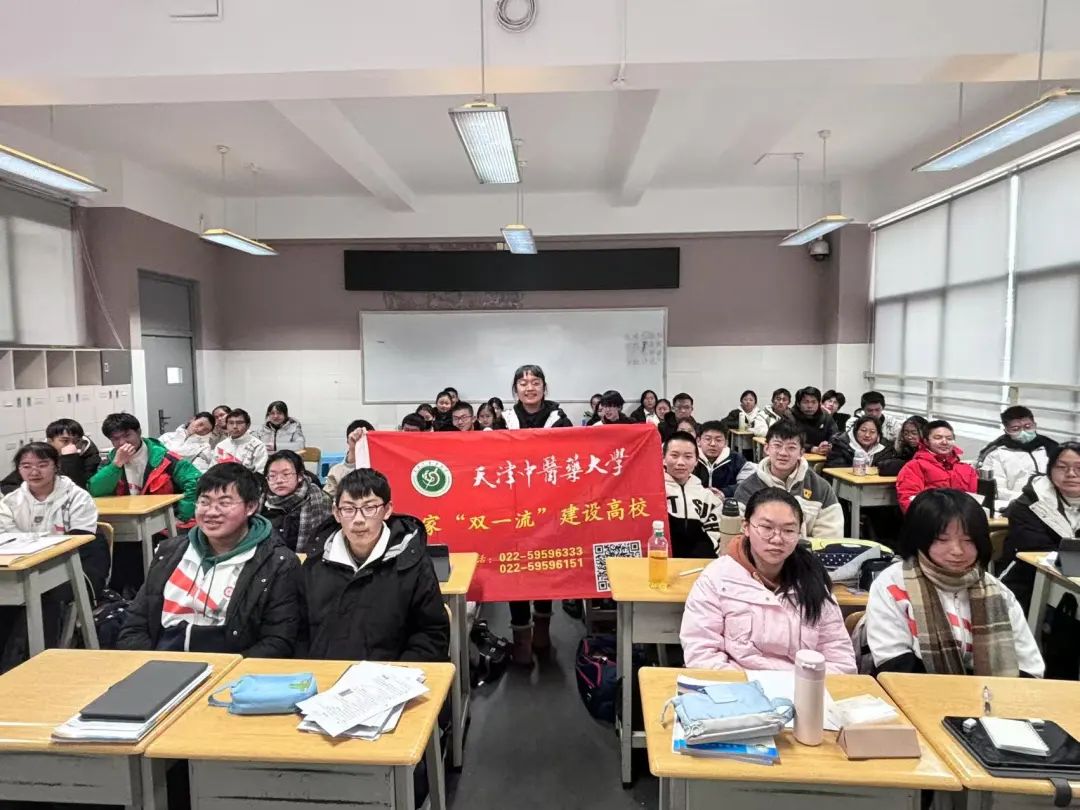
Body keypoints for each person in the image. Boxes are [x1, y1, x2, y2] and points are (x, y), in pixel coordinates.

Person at [116, 463, 302, 657]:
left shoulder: (277, 563)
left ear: (251, 507)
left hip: (231, 667)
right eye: (204, 502)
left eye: (224, 503)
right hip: (161, 663)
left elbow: (277, 641)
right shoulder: (169, 552)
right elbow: (134, 625)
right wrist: (152, 663)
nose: (212, 512)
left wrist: (226, 670)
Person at [864, 488, 1043, 677]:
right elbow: (893, 664)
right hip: (916, 688)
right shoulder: (893, 584)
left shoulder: (998, 593)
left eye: (968, 540)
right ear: (919, 539)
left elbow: (1029, 668)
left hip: (990, 691)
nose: (957, 551)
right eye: (942, 540)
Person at [681, 488, 856, 672]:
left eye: (788, 530)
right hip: (738, 684)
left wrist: (805, 684)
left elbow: (840, 659)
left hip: (802, 684)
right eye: (766, 528)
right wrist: (748, 686)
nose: (777, 539)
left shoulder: (812, 579)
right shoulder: (717, 578)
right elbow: (701, 654)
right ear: (746, 527)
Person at [303, 468, 449, 661]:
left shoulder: (412, 562)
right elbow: (297, 630)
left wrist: (397, 673)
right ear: (336, 513)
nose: (358, 520)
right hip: (324, 674)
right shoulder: (315, 563)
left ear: (387, 510)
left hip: (392, 674)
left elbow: (431, 634)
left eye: (369, 508)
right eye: (348, 509)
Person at [0, 442, 106, 668]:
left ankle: (36, 664)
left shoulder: (77, 496)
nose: (34, 472)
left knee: (44, 597)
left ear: (56, 466)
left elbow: (80, 541)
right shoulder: (10, 501)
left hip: (76, 566)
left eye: (42, 465)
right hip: (25, 568)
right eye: (26, 466)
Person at [503, 364, 573, 664]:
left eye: (535, 382)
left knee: (545, 565)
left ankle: (542, 628)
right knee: (514, 568)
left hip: (549, 506)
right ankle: (521, 636)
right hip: (512, 506)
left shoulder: (561, 420)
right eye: (523, 383)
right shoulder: (502, 420)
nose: (529, 388)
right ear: (515, 389)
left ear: (544, 387)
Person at [1000, 442, 1080, 611]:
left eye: (1079, 468)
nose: (1071, 474)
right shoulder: (1029, 504)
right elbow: (1038, 552)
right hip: (1029, 582)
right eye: (1062, 467)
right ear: (1050, 470)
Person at [735, 420, 843, 538]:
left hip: (806, 550)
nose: (783, 453)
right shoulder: (747, 488)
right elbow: (740, 536)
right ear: (766, 448)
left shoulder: (821, 488)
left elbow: (830, 538)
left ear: (801, 452)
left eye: (791, 447)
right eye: (777, 445)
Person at [88, 413, 201, 523]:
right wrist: (116, 465)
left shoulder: (165, 458)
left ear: (138, 432)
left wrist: (182, 516)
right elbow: (96, 491)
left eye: (127, 435)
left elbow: (196, 481)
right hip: (125, 520)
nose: (122, 443)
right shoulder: (110, 462)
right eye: (115, 439)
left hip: (162, 521)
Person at [977, 406, 1059, 513]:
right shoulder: (996, 454)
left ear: (1035, 425)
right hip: (1017, 507)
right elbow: (997, 491)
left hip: (1053, 505)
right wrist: (1028, 499)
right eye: (1015, 429)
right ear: (1006, 430)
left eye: (1028, 427)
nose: (1023, 432)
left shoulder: (1050, 447)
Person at [895, 420, 977, 513]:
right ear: (926, 441)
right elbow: (909, 502)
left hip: (964, 519)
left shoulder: (967, 469)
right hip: (930, 519)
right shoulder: (914, 467)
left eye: (949, 438)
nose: (944, 442)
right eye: (938, 438)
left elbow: (973, 501)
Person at [663, 431, 722, 558]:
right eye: (674, 455)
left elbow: (716, 534)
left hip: (699, 562)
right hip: (661, 558)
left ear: (696, 461)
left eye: (688, 457)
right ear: (663, 459)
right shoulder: (654, 492)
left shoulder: (708, 497)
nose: (681, 462)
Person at [262, 450, 333, 554]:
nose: (279, 480)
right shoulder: (260, 502)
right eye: (272, 476)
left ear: (299, 476)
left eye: (286, 474)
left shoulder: (320, 500)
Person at [2, 418, 101, 493]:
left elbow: (77, 488)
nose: (72, 445)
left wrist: (70, 458)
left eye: (76, 441)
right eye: (65, 441)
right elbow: (7, 486)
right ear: (50, 442)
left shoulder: (89, 456)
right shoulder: (39, 455)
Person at [694, 420, 753, 498]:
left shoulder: (737, 459)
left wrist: (724, 492)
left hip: (727, 501)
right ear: (698, 441)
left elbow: (747, 485)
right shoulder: (691, 458)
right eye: (708, 439)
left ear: (726, 443)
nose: (713, 444)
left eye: (718, 440)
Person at [324, 420, 376, 500]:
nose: (360, 443)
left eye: (364, 440)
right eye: (356, 440)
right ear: (348, 440)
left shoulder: (377, 468)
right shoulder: (336, 471)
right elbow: (326, 498)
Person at [824, 415, 897, 469]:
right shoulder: (840, 444)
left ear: (878, 434)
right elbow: (834, 469)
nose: (867, 435)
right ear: (855, 431)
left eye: (872, 432)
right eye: (863, 430)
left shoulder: (885, 449)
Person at [212, 408, 269, 473]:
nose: (235, 426)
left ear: (248, 425)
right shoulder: (221, 446)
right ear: (226, 425)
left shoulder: (257, 445)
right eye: (231, 423)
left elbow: (261, 471)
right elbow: (212, 470)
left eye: (239, 423)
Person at [791, 386, 836, 454]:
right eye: (805, 402)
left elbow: (835, 436)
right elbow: (788, 439)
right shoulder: (789, 416)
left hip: (822, 456)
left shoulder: (826, 416)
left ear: (819, 403)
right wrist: (811, 448)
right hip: (796, 455)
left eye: (814, 402)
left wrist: (828, 445)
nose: (810, 406)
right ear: (798, 404)